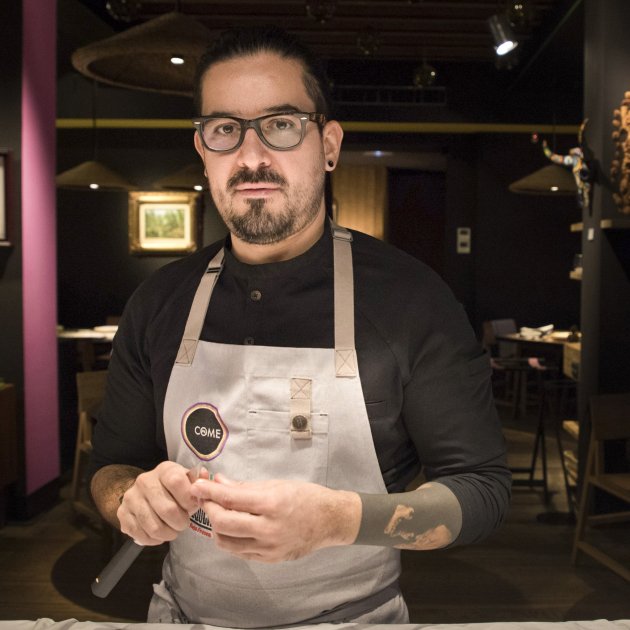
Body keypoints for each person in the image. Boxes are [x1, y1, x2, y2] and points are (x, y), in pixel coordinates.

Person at [89, 25, 511, 627]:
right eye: (225, 130)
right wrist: (130, 500)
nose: (251, 157)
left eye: (282, 125)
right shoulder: (159, 301)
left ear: (328, 144)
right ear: (203, 150)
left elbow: (482, 489)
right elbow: (111, 468)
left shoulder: (411, 300)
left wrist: (338, 520)